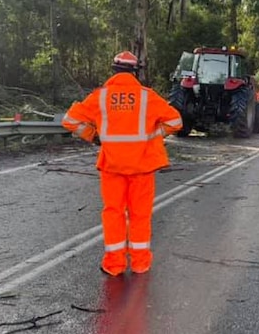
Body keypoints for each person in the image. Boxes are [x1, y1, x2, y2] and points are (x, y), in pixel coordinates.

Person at [62, 51, 183, 276]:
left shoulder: (101, 96)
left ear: (114, 71)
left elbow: (69, 120)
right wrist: (153, 135)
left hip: (112, 167)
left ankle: (114, 265)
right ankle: (140, 263)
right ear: (135, 72)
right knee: (140, 215)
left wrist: (93, 135)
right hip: (142, 167)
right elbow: (175, 121)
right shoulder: (147, 96)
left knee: (114, 213)